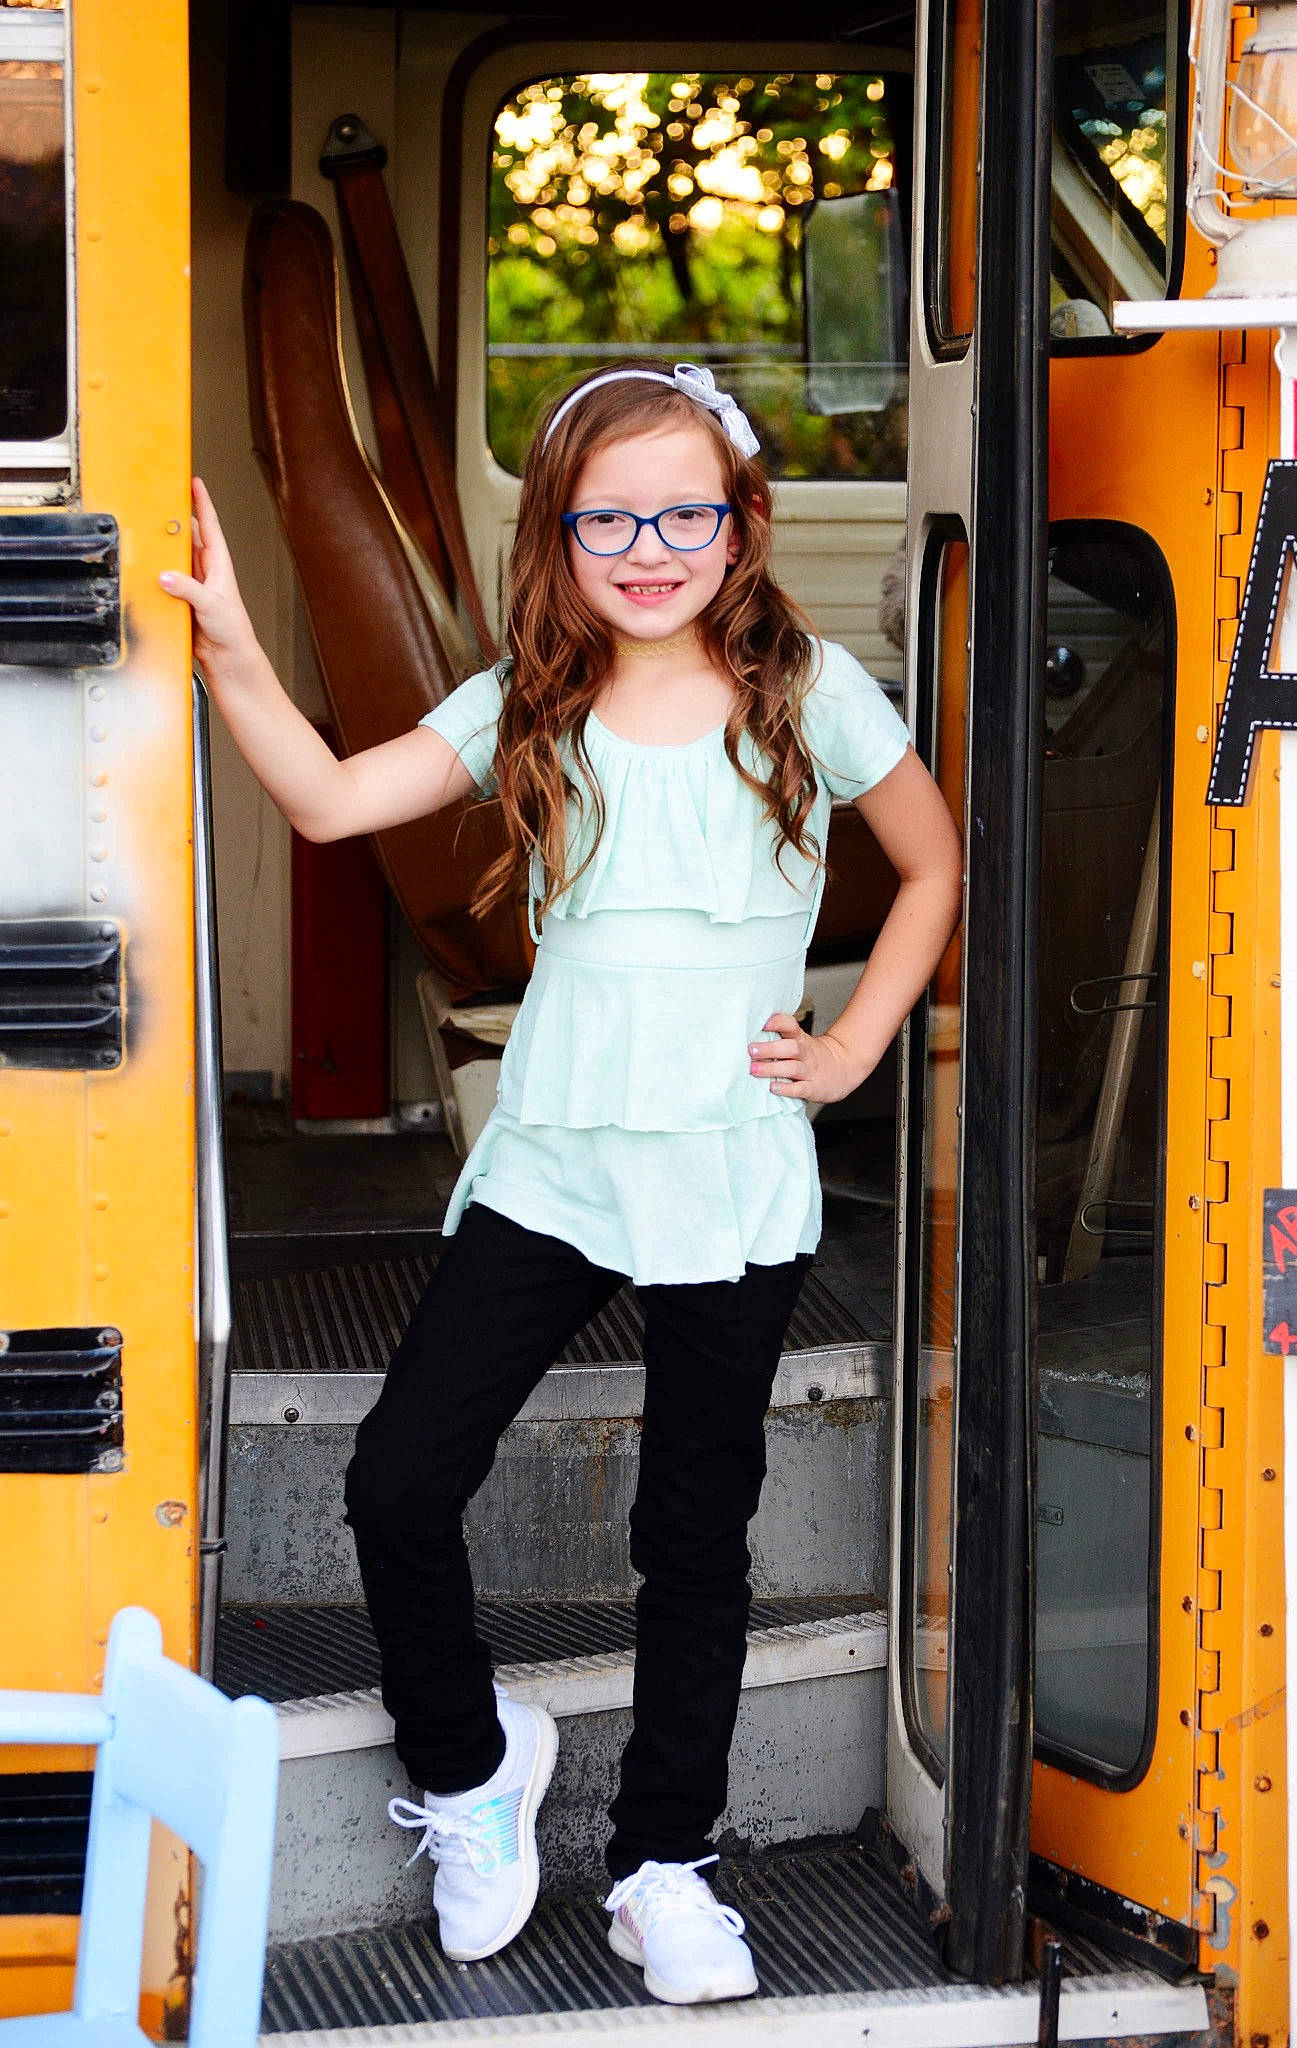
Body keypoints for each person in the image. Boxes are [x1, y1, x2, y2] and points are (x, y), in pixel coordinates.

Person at [163, 361, 961, 2007]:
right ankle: (471, 1772)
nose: (648, 545)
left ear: (740, 525)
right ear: (561, 536)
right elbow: (322, 802)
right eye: (609, 517)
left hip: (727, 1176)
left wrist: (854, 1043)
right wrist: (236, 648)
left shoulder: (806, 694)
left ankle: (665, 1868)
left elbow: (932, 862)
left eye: (683, 512)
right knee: (395, 1482)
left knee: (692, 1537)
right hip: (553, 1165)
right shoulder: (520, 700)